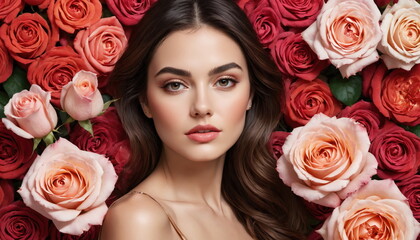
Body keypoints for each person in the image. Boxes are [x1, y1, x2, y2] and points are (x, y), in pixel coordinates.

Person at [100, 0, 309, 239]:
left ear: (251, 93)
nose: (201, 107)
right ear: (145, 101)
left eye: (224, 81)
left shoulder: (260, 210)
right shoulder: (138, 220)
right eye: (175, 85)